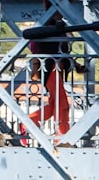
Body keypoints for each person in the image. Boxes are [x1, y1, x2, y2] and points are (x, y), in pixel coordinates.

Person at [27, 9, 72, 144]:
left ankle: (28, 123)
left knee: (55, 103)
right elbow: (39, 46)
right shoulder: (51, 25)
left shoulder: (52, 25)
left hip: (54, 66)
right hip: (51, 66)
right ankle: (62, 135)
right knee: (62, 102)